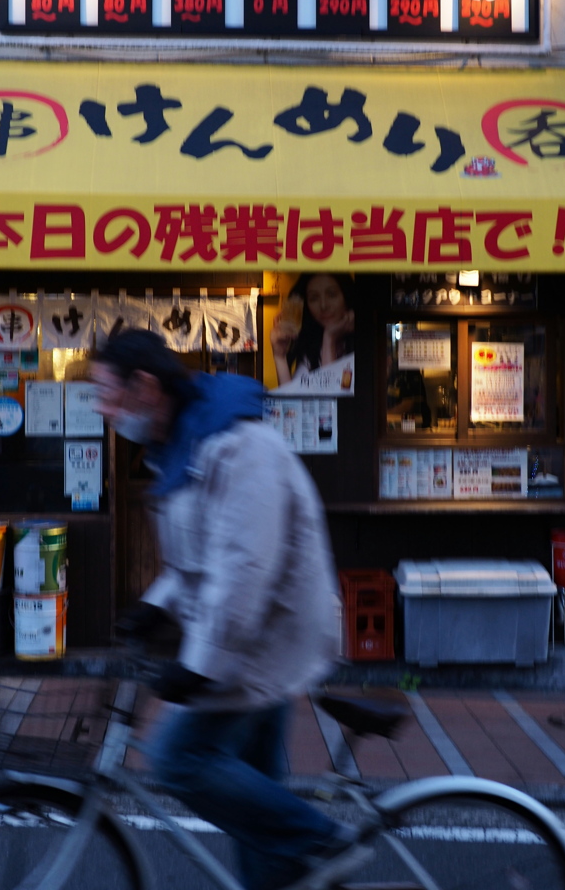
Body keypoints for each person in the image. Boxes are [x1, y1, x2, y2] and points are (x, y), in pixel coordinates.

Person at [90, 329, 370, 890]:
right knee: (256, 806)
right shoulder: (183, 448)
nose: (104, 410)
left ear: (145, 387)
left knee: (177, 758)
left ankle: (318, 837)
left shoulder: (239, 449)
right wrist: (152, 606)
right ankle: (293, 861)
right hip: (249, 641)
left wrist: (200, 668)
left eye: (108, 394)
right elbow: (198, 564)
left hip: (264, 642)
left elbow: (243, 570)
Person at [270, 273, 355, 386]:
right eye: (314, 298)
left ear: (347, 296)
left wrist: (329, 339)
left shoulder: (367, 346)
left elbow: (331, 395)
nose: (323, 305)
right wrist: (279, 357)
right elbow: (290, 402)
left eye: (332, 294)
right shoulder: (311, 349)